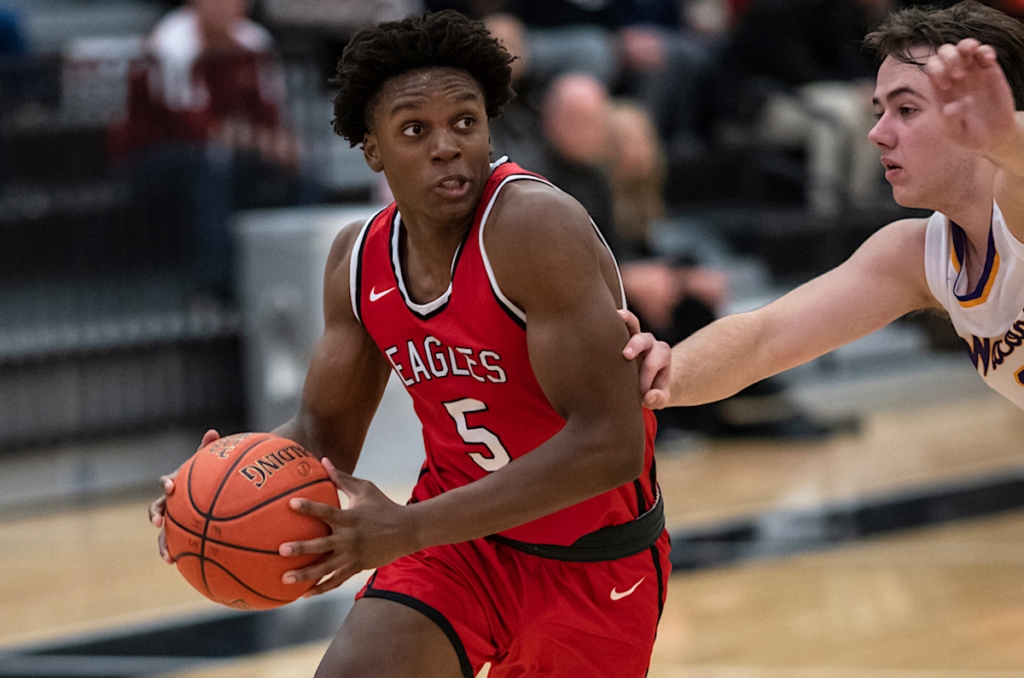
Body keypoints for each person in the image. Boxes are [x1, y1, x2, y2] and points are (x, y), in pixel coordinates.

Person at [151, 10, 670, 678]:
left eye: (465, 122)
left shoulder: (534, 228)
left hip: (592, 559)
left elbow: (610, 445)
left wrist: (409, 528)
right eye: (414, 130)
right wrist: (207, 487)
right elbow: (323, 431)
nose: (447, 145)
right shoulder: (359, 261)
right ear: (373, 149)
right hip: (459, 551)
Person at [623, 1, 1024, 416]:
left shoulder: (1015, 202)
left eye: (906, 110)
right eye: (878, 111)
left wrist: (1006, 135)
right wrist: (667, 373)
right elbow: (765, 338)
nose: (877, 133)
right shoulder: (916, 255)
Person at [109, 0, 313, 302]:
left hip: (225, 151)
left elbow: (270, 114)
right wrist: (259, 140)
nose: (229, 6)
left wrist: (282, 145)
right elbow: (191, 127)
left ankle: (301, 275)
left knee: (302, 171)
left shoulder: (254, 41)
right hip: (151, 155)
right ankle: (214, 289)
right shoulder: (172, 41)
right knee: (210, 169)